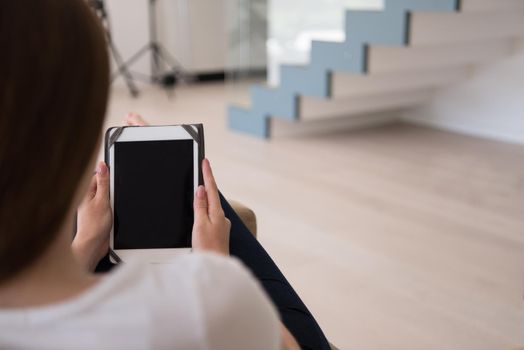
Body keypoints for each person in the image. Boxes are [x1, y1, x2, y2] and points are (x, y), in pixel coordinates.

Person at [0, 0, 330, 349]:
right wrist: (216, 272)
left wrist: (83, 248)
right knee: (199, 188)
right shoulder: (206, 312)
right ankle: (175, 162)